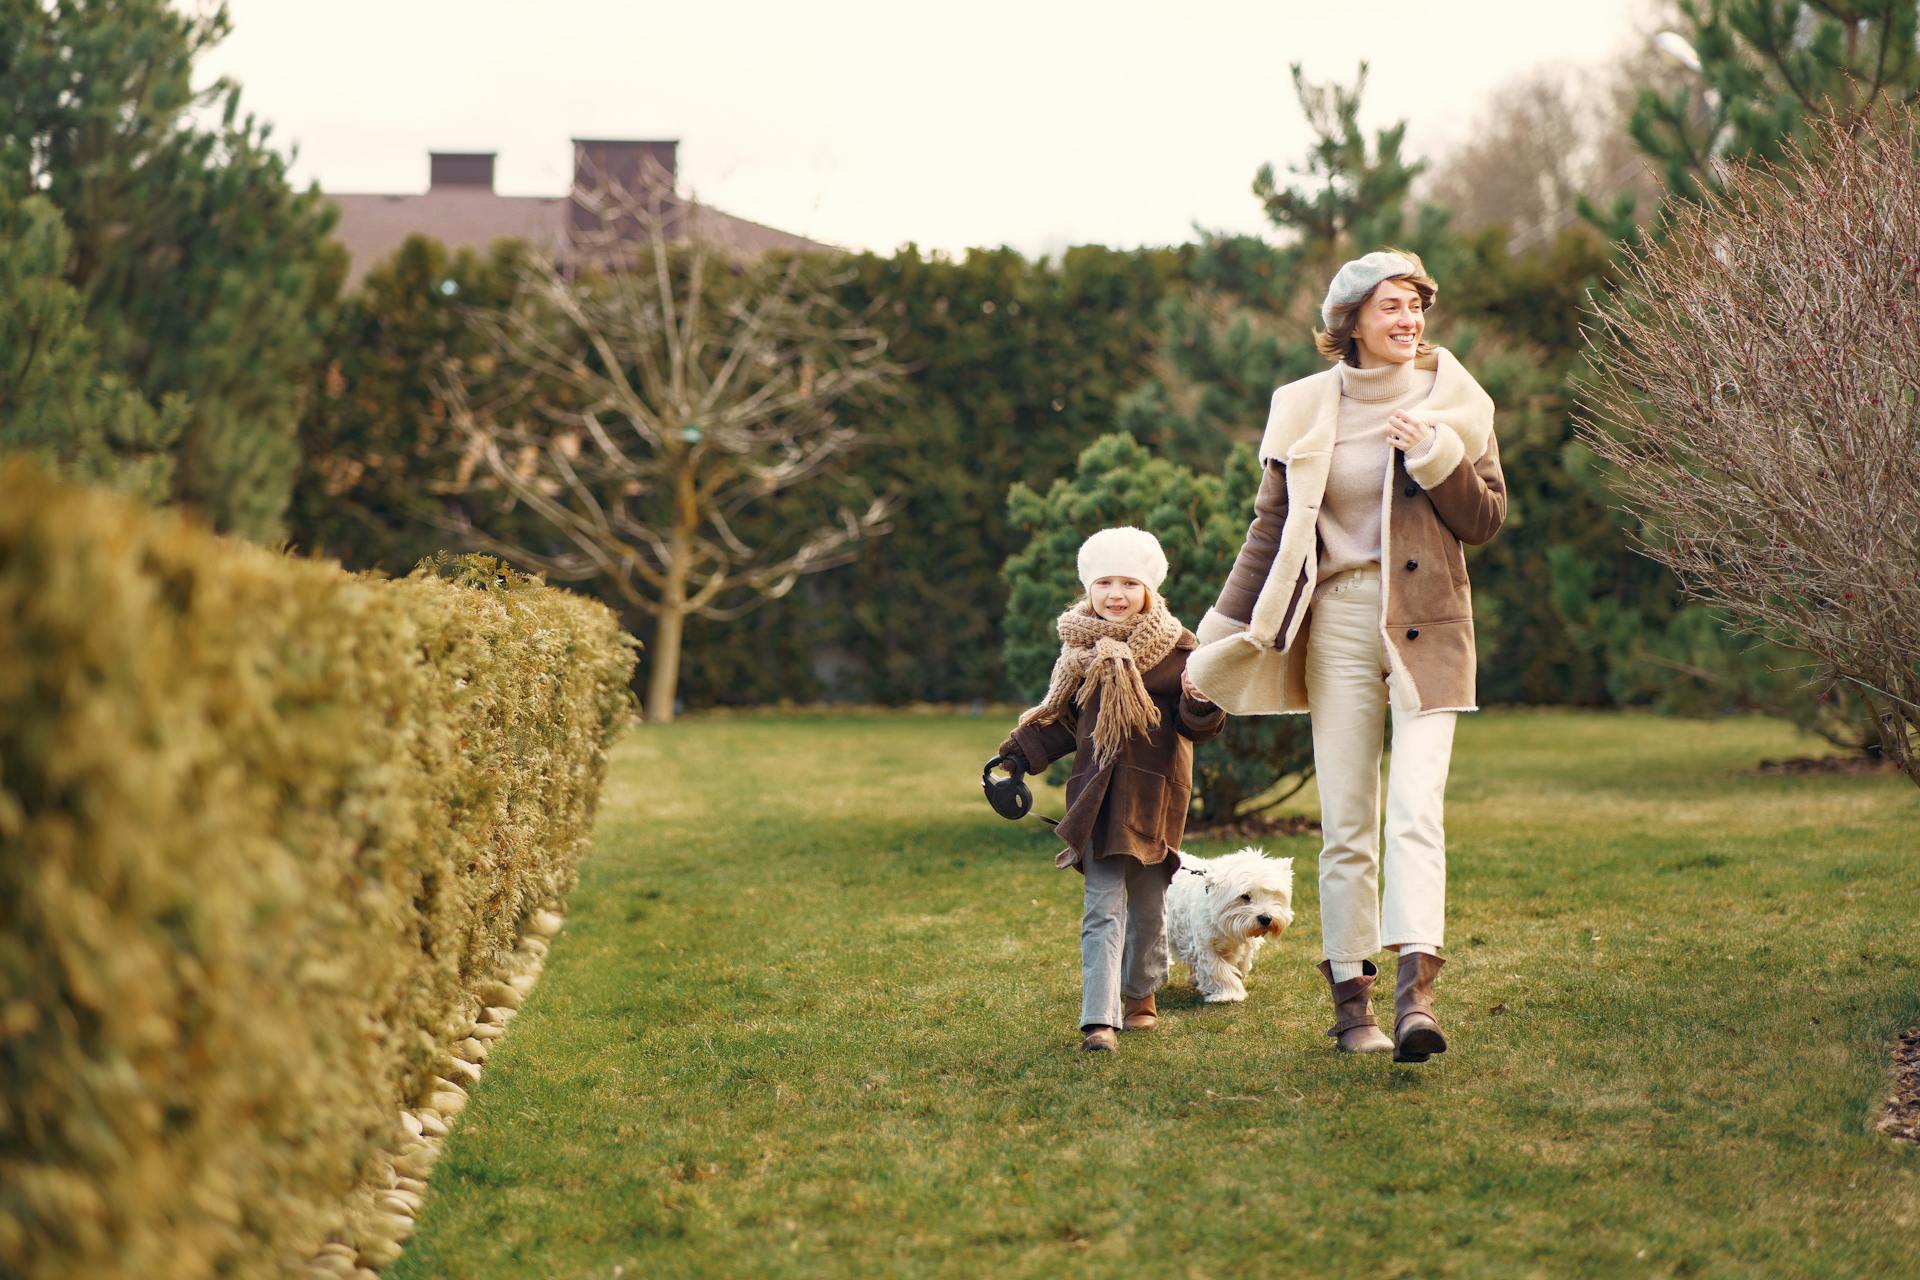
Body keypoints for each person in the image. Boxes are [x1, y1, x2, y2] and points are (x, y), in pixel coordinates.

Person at [1188, 248, 1506, 1062]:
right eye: (1392, 306)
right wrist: (1212, 644)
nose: (1409, 320)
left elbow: (1485, 521)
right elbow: (1267, 534)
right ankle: (1351, 1006)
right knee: (1347, 824)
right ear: (1352, 320)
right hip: (1335, 619)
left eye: (1416, 305)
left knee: (1416, 810)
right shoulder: (1300, 407)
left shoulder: (1458, 400)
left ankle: (1416, 1001)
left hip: (1430, 623)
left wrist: (1436, 455)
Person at [997, 527, 1226, 1053]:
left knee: (1148, 903)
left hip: (1154, 794)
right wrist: (1015, 754)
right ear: (1088, 587)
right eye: (1104, 582)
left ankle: (1141, 994)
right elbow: (1061, 721)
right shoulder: (1080, 651)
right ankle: (1098, 1018)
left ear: (1150, 589)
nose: (1116, 594)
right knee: (1102, 906)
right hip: (1097, 797)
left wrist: (1202, 699)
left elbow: (1198, 726)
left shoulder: (1180, 650)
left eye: (1129, 582)